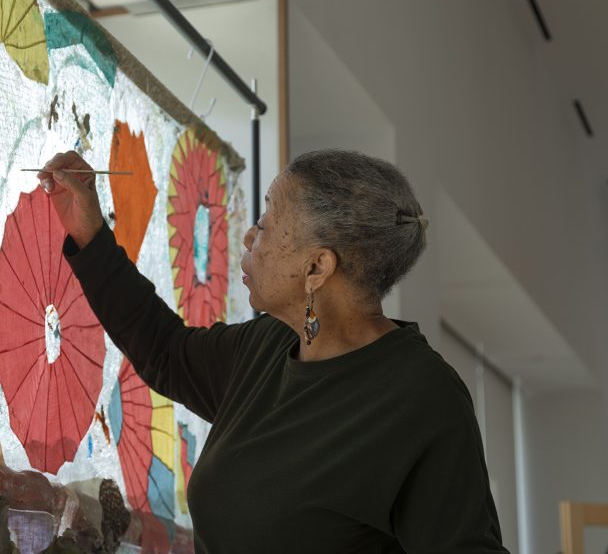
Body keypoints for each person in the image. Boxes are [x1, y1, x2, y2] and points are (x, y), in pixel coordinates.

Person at [37, 149, 510, 553]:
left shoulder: (422, 400)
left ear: (317, 267)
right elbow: (165, 349)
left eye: (265, 222)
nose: (249, 236)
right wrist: (90, 233)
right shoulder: (267, 346)